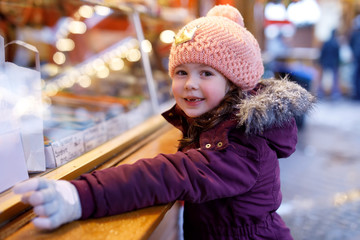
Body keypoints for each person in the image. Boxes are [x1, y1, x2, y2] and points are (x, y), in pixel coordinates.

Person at [13, 5, 315, 240]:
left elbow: (169, 175)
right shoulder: (217, 122)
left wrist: (80, 195)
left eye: (206, 73)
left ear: (235, 83)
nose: (189, 85)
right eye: (181, 72)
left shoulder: (239, 145)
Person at [317, 29, 341, 99]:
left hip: (325, 62)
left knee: (321, 78)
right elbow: (337, 55)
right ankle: (335, 93)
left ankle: (320, 92)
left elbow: (322, 52)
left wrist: (320, 61)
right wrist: (338, 63)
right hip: (333, 63)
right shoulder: (336, 43)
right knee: (335, 79)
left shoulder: (326, 42)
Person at [349, 15, 360, 100]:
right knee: (356, 76)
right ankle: (356, 93)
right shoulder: (354, 34)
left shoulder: (354, 34)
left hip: (356, 57)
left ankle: (356, 94)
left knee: (356, 76)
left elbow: (351, 44)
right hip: (357, 57)